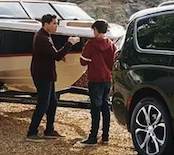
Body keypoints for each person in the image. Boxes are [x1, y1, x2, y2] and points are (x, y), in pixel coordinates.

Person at [26, 14, 80, 142]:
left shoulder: (45, 36)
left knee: (53, 102)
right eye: (54, 23)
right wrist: (69, 43)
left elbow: (51, 53)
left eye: (57, 23)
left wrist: (60, 55)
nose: (56, 26)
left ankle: (49, 130)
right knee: (43, 103)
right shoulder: (42, 38)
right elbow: (55, 55)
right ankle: (31, 132)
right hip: (42, 74)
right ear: (46, 24)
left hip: (47, 73)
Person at [75, 19, 118, 147]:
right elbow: (114, 60)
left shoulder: (91, 44)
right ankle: (105, 136)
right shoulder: (111, 44)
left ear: (95, 30)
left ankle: (93, 137)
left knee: (95, 108)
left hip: (95, 79)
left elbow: (83, 61)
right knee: (105, 106)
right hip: (107, 79)